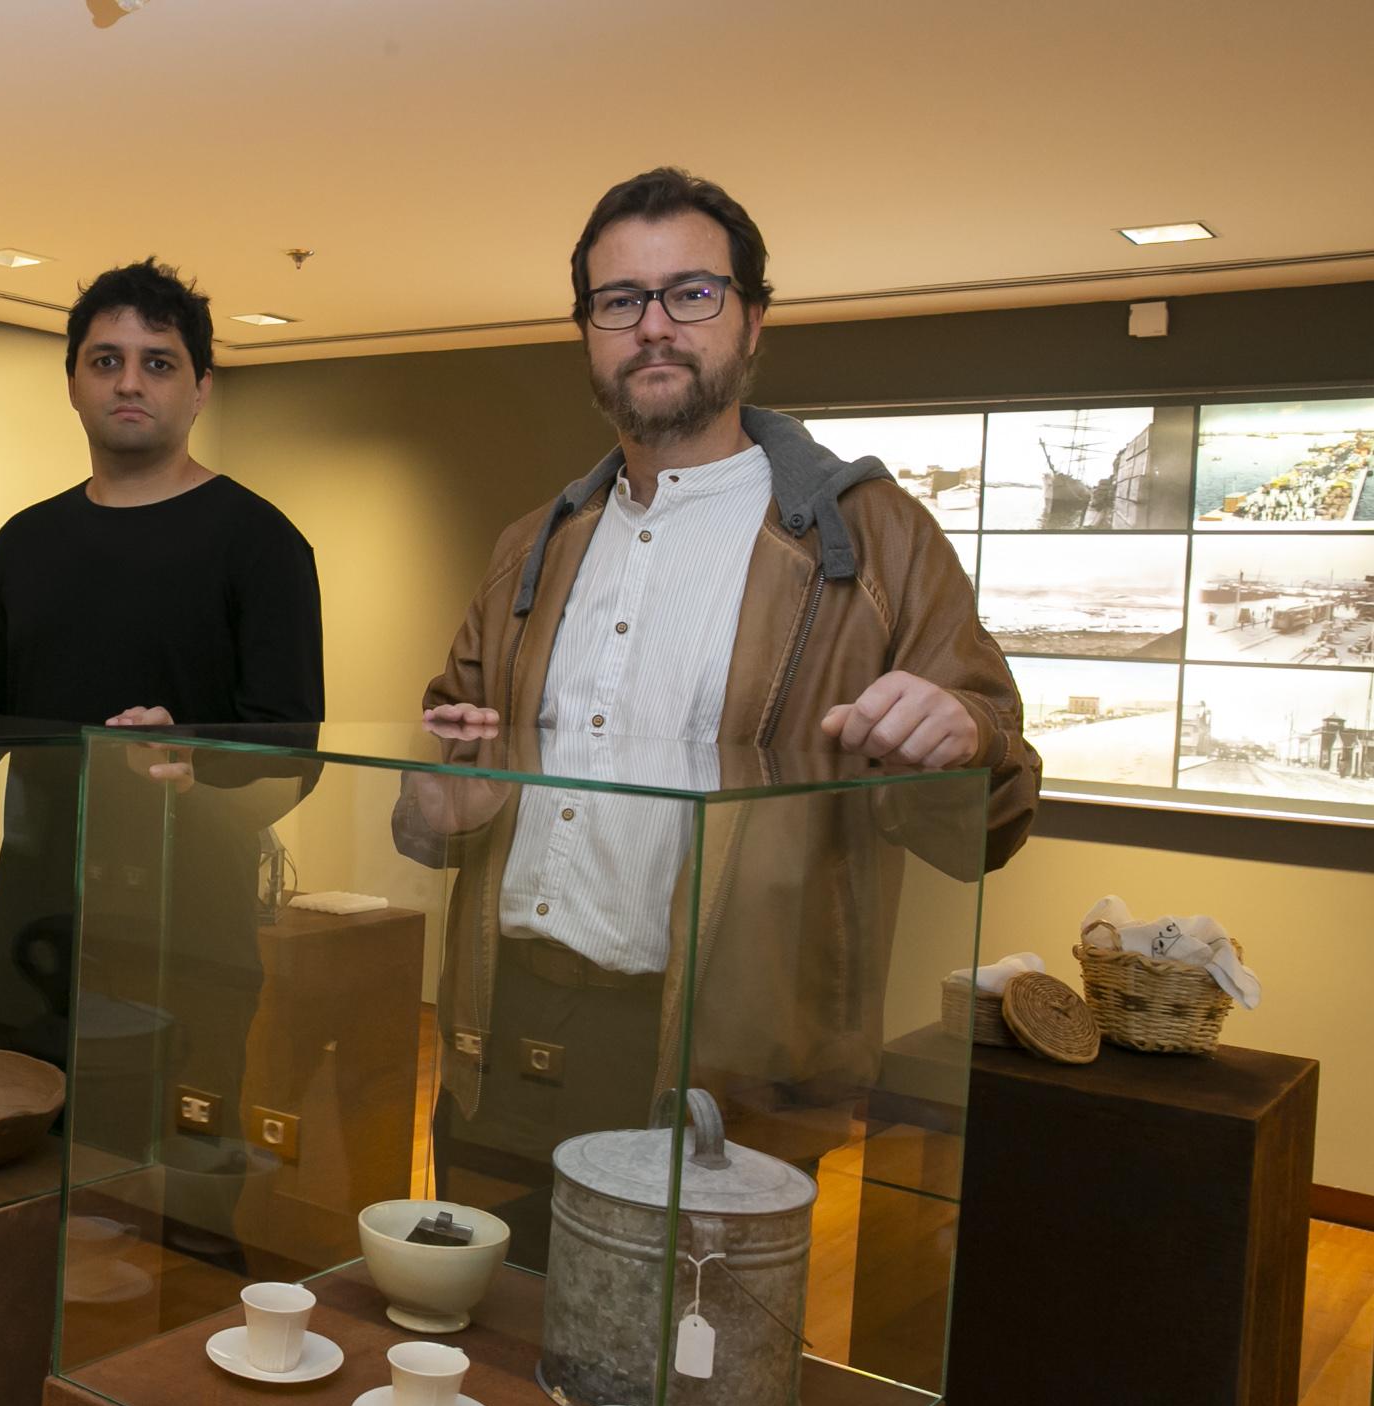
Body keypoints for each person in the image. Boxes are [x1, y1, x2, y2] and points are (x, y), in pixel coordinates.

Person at [408, 167, 1041, 1262]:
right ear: (587, 333)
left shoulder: (874, 540)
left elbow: (990, 808)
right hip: (500, 1027)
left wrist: (964, 737)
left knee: (686, 1387)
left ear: (753, 320)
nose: (653, 325)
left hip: (728, 1050)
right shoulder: (533, 545)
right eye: (619, 301)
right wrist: (438, 802)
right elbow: (437, 778)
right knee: (486, 1343)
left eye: (690, 293)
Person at [0, 258, 324, 1073]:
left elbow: (295, 759)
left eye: (158, 363)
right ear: (74, 383)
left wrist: (194, 759)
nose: (130, 382)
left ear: (200, 389)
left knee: (171, 1186)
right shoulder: (26, 541)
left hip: (190, 931)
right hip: (35, 922)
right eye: (106, 361)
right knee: (24, 1158)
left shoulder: (259, 543)